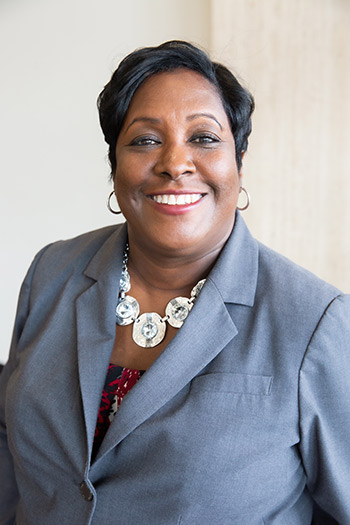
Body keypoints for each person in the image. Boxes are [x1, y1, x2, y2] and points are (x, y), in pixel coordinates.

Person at [0, 40, 349, 525]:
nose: (174, 163)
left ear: (239, 161)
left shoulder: (316, 323)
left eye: (204, 138)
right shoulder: (52, 272)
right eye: (145, 140)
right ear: (115, 166)